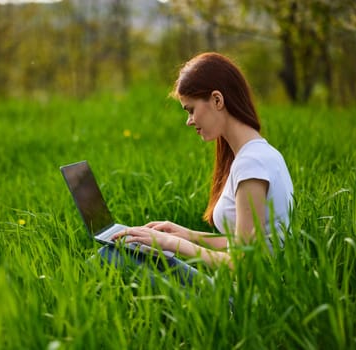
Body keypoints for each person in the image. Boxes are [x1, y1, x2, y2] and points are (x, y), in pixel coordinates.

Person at [98, 52, 293, 283]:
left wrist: (171, 243)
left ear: (217, 100)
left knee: (111, 256)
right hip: (241, 293)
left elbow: (244, 265)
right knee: (126, 252)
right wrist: (187, 235)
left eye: (191, 109)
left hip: (244, 305)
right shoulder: (259, 154)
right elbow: (245, 245)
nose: (189, 120)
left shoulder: (251, 164)